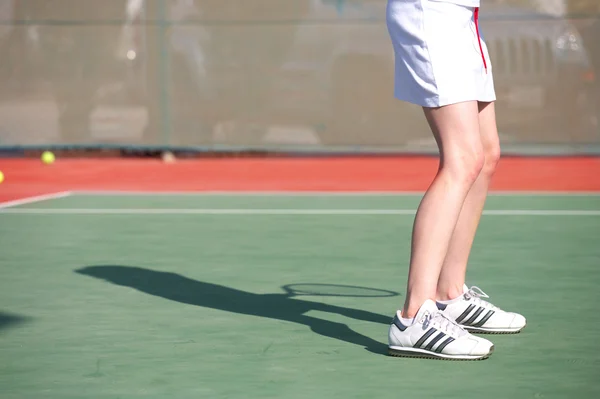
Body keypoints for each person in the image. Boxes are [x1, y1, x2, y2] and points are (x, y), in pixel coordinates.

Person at [385, 0, 526, 360]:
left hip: (463, 16)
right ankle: (414, 316)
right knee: (461, 159)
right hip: (432, 12)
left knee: (486, 154)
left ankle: (450, 295)